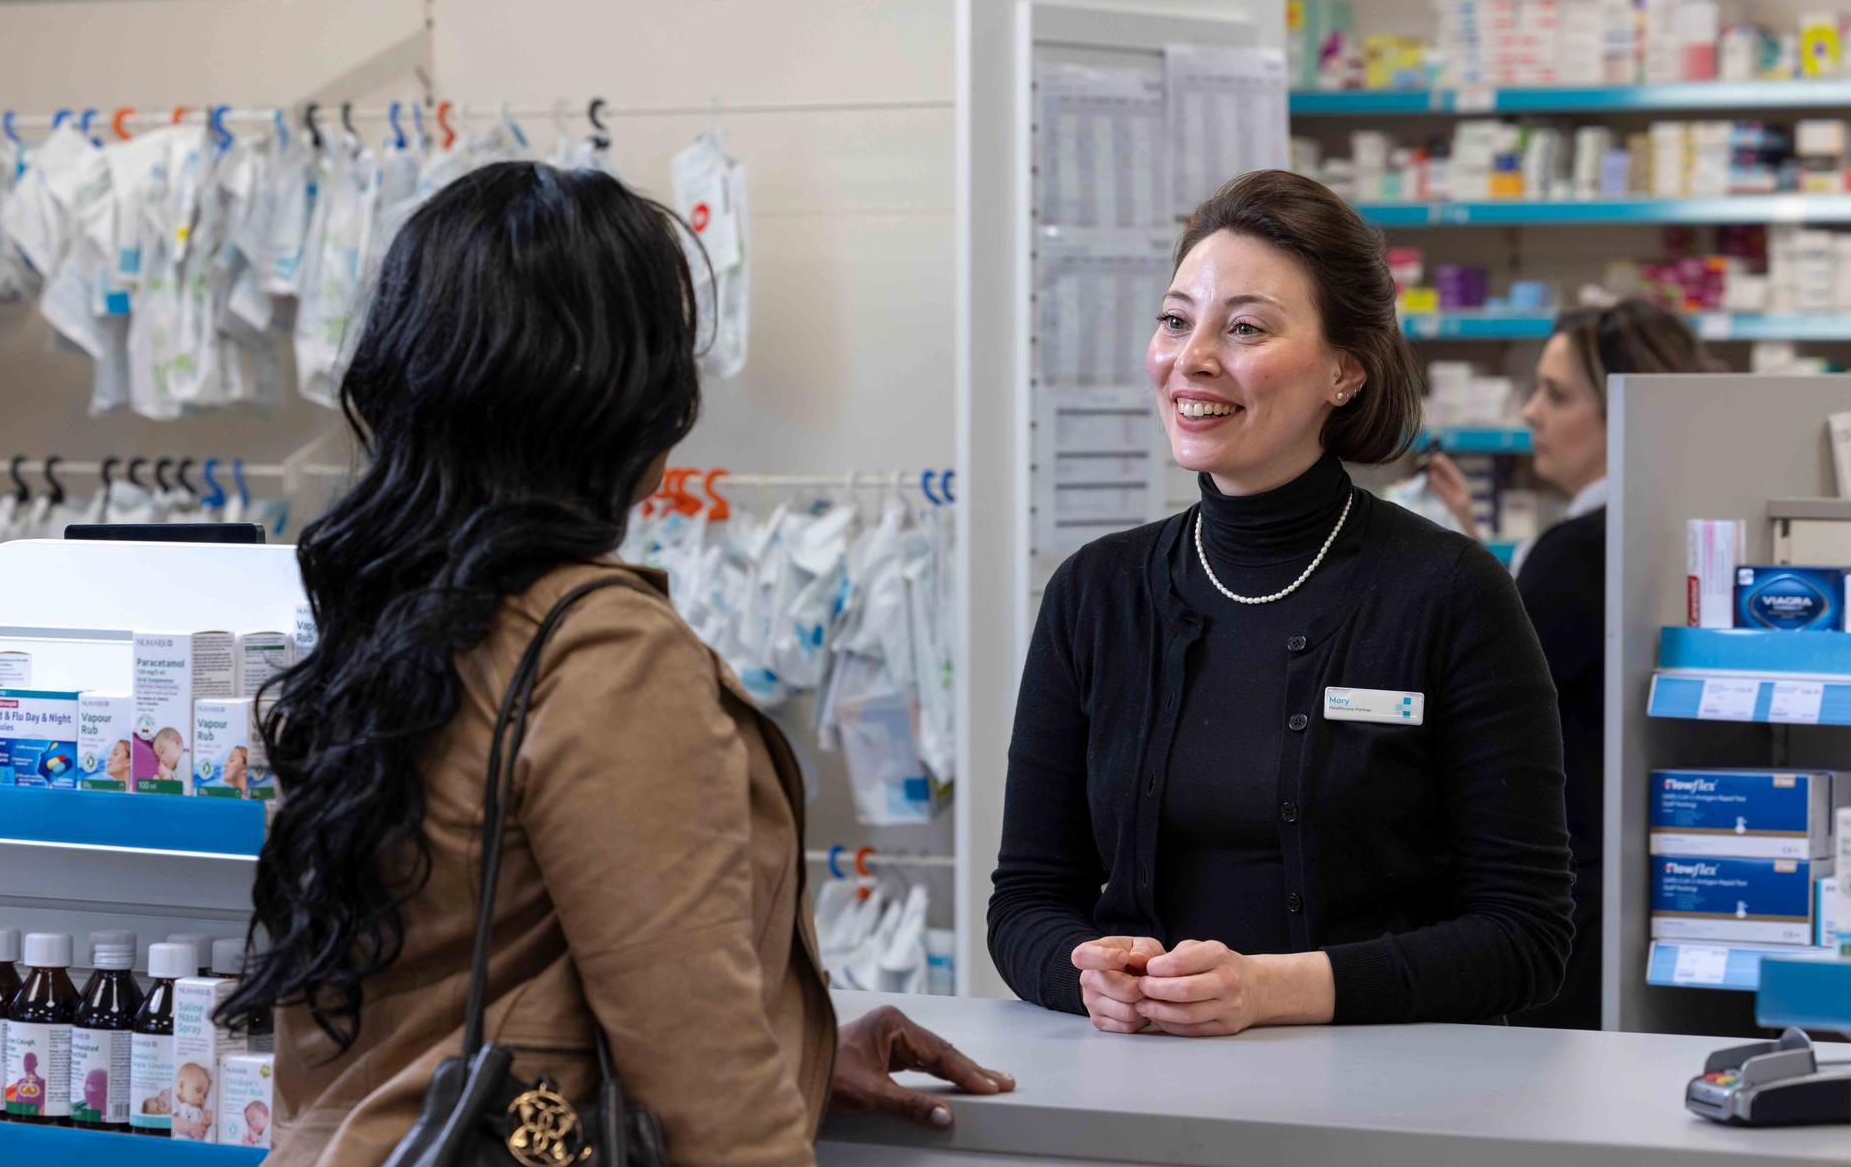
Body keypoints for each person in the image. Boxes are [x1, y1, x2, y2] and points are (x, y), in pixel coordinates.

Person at [217, 163, 1012, 1166]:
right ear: (629, 399)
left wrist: (801, 1048)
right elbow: (703, 1081)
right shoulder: (600, 651)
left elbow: (458, 988)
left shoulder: (388, 627)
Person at [988, 169, 1575, 1037]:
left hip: (1382, 1104)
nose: (1193, 358)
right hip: (1135, 1094)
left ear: (1346, 370)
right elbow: (1028, 899)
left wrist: (1271, 991)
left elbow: (1525, 936)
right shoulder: (1096, 593)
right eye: (1176, 320)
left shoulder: (1449, 593)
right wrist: (1087, 976)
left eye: (1246, 327)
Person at [1425, 298, 1716, 1029]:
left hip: (1579, 916)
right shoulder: (1693, 527)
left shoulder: (1579, 553)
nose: (1531, 413)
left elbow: (1483, 721)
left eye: (1556, 394)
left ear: (1628, 410)